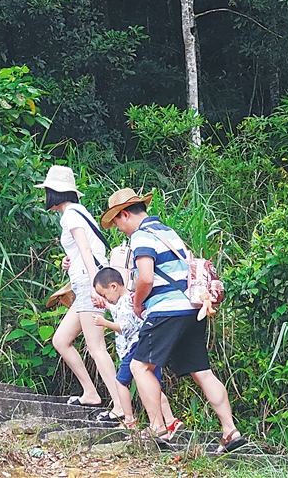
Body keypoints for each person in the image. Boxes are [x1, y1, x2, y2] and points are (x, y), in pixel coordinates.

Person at [101, 188, 247, 453]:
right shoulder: (168, 232)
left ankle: (158, 431)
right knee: (202, 371)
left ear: (124, 214)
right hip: (192, 309)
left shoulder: (142, 236)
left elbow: (145, 277)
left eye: (117, 222)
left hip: (165, 310)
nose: (119, 228)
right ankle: (230, 431)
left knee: (139, 367)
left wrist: (137, 304)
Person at [36, 165, 123, 421]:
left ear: (55, 193)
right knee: (61, 340)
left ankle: (119, 406)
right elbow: (83, 250)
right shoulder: (78, 212)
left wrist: (96, 287)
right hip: (85, 282)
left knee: (96, 347)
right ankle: (90, 393)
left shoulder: (71, 215)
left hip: (89, 285)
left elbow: (86, 251)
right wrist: (69, 260)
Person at [92, 267, 184, 436]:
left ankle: (129, 419)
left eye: (104, 295)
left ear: (113, 286)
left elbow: (125, 327)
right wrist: (106, 305)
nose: (106, 299)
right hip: (146, 346)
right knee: (153, 386)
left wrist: (104, 323)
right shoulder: (126, 301)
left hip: (134, 349)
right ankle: (170, 421)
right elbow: (117, 310)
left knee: (120, 382)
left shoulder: (126, 302)